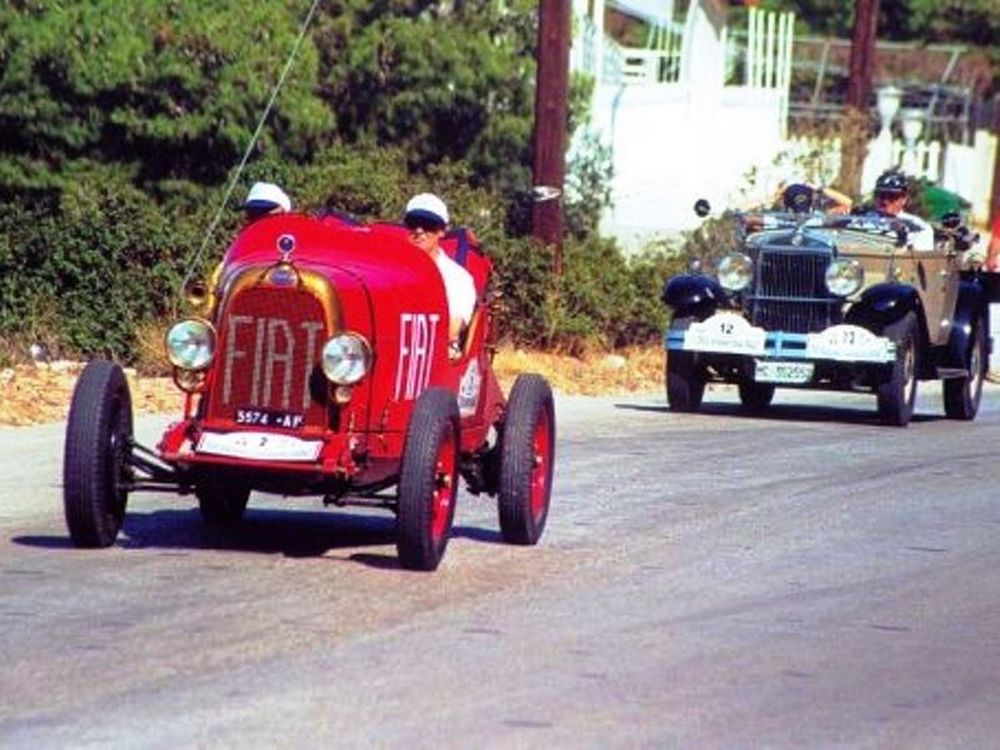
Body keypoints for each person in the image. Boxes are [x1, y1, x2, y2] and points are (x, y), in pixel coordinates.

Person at [403, 193, 477, 356]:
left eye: (428, 224)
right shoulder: (393, 270)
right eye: (413, 223)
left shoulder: (458, 278)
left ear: (441, 231)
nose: (419, 230)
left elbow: (452, 329)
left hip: (437, 354)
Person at [864, 170, 935, 251]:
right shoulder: (861, 222)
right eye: (881, 195)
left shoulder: (919, 228)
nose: (885, 201)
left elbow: (919, 259)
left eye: (892, 197)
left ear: (904, 199)